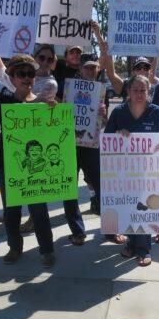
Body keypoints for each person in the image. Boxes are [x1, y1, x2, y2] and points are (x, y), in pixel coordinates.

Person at [0, 55, 56, 268]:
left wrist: (55, 111)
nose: (27, 78)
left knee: (39, 210)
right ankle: (15, 247)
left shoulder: (44, 103)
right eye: (21, 73)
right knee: (11, 211)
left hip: (37, 168)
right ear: (12, 77)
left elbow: (56, 135)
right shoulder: (4, 101)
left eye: (30, 73)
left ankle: (47, 250)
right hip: (7, 165)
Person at [104, 75, 159, 266]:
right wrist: (117, 134)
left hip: (149, 170)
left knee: (144, 209)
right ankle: (131, 244)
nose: (140, 94)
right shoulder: (118, 112)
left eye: (143, 90)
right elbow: (108, 139)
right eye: (136, 90)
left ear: (149, 91)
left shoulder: (158, 114)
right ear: (128, 91)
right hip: (124, 170)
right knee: (128, 207)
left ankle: (143, 249)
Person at [0, 44, 59, 232]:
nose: (45, 62)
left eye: (49, 59)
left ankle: (32, 221)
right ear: (35, 58)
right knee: (14, 186)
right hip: (15, 141)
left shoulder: (50, 84)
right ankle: (11, 217)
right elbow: (3, 75)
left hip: (36, 140)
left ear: (53, 62)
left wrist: (17, 95)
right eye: (41, 58)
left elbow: (34, 105)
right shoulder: (22, 76)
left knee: (34, 188)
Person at [61, 53, 110, 246]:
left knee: (102, 188)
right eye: (87, 67)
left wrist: (104, 115)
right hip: (70, 146)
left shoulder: (101, 90)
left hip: (92, 145)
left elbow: (104, 123)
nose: (90, 70)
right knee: (68, 190)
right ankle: (78, 231)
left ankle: (110, 228)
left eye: (94, 67)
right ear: (80, 69)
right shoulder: (69, 89)